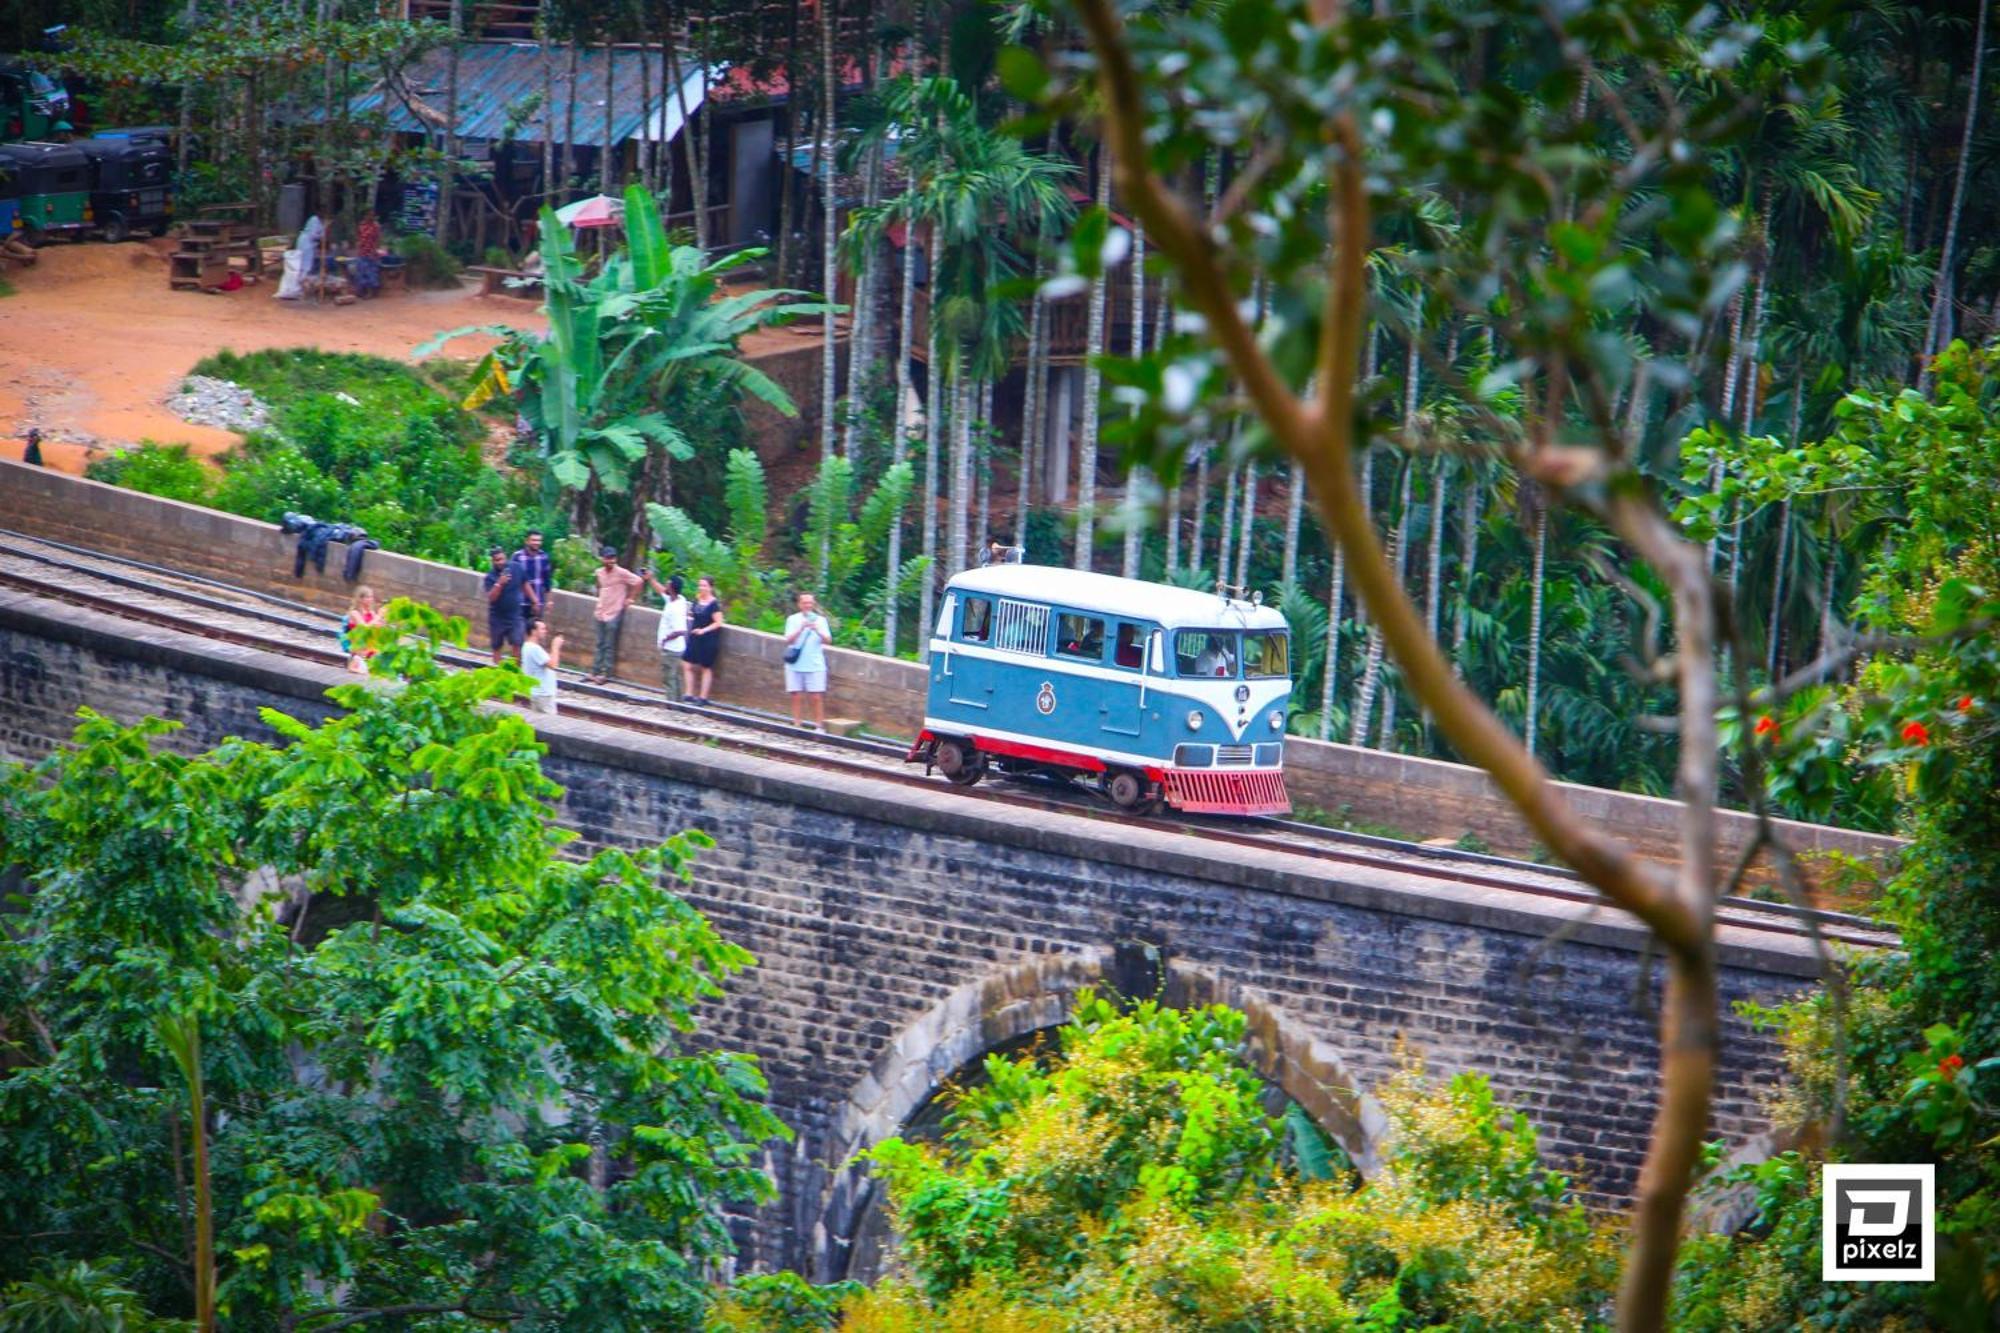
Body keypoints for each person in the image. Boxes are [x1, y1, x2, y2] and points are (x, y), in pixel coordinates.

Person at [589, 545, 644, 682]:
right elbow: (599, 587)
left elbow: (638, 581)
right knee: (599, 643)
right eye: (608, 558)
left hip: (614, 612)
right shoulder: (599, 572)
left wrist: (630, 598)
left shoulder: (622, 573)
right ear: (603, 559)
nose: (611, 561)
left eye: (613, 558)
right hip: (601, 611)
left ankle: (607, 673)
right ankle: (595, 671)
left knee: (609, 644)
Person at [783, 591, 833, 730]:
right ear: (799, 604)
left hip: (815, 663)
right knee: (796, 694)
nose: (808, 605)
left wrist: (817, 630)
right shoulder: (792, 619)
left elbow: (828, 640)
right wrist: (801, 628)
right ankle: (797, 723)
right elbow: (788, 640)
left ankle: (819, 725)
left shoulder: (820, 620)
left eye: (810, 603)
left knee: (816, 696)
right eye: (805, 603)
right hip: (795, 663)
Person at [483, 546, 531, 664]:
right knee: (497, 645)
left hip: (515, 615)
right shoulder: (490, 577)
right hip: (497, 617)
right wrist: (499, 583)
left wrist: (534, 601)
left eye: (502, 559)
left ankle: (515, 672)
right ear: (493, 561)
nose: (501, 562)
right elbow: (491, 598)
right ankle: (497, 671)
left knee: (517, 643)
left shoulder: (517, 568)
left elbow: (525, 584)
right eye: (497, 560)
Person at [683, 575, 724, 704]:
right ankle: (689, 693)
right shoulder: (697, 600)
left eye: (705, 585)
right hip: (694, 637)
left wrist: (703, 630)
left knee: (705, 667)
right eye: (700, 585)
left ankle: (703, 697)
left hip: (708, 639)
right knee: (687, 663)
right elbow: (692, 614)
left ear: (711, 587)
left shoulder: (714, 604)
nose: (702, 588)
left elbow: (718, 622)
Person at [649, 572, 690, 701]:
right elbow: (661, 590)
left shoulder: (675, 608)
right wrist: (651, 579)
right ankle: (678, 702)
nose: (665, 585)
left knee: (669, 677)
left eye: (667, 583)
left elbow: (680, 630)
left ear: (671, 587)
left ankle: (672, 703)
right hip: (676, 648)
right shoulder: (677, 599)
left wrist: (665, 639)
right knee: (675, 676)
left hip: (672, 648)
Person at [521, 619, 564, 716]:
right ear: (533, 631)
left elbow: (547, 661)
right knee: (550, 725)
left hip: (536, 693)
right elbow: (553, 665)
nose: (545, 631)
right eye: (543, 629)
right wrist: (555, 647)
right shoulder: (535, 649)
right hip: (543, 695)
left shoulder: (527, 646)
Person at [340, 586, 383, 673]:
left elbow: (375, 627)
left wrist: (381, 623)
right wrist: (379, 616)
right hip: (358, 645)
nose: (370, 599)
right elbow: (364, 628)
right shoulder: (354, 613)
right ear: (360, 599)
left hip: (370, 645)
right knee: (357, 665)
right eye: (367, 597)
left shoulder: (371, 612)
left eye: (371, 597)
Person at [513, 530, 552, 613]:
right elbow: (511, 578)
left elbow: (547, 581)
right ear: (527, 541)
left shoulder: (544, 557)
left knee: (537, 625)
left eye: (539, 540)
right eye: (534, 540)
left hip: (538, 604)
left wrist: (549, 601)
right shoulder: (517, 556)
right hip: (520, 603)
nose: (537, 543)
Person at [349, 209, 383, 298]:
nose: (371, 217)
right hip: (362, 251)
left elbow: (378, 239)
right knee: (361, 271)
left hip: (371, 251)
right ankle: (361, 291)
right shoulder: (361, 225)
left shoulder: (376, 226)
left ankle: (371, 292)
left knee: (371, 272)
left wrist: (375, 250)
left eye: (372, 215)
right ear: (365, 216)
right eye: (369, 215)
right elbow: (358, 236)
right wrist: (357, 247)